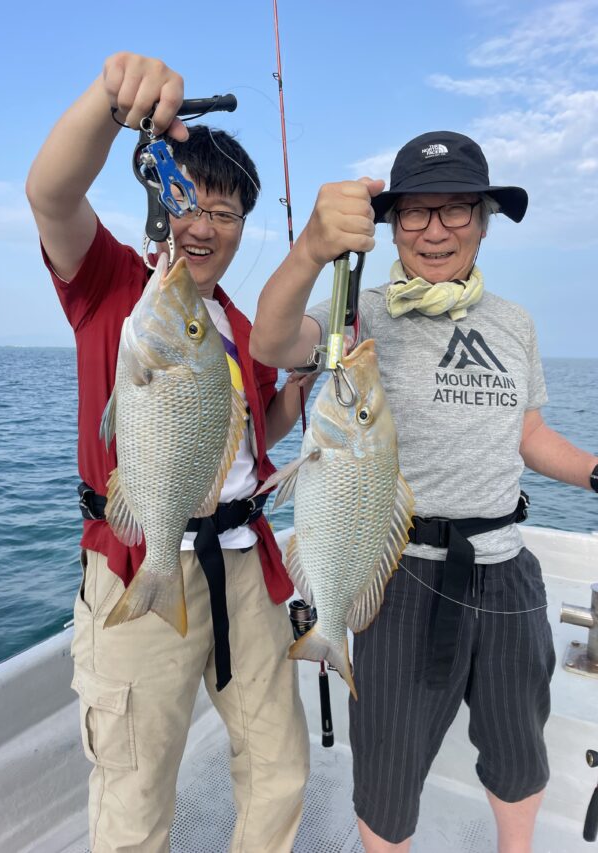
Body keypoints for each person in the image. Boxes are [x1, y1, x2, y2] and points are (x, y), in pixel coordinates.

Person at [249, 130, 598, 853]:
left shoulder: (514, 323)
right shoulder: (360, 315)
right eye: (415, 213)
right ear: (390, 224)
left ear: (483, 219)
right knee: (387, 767)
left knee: (519, 751)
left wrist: (595, 470)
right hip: (398, 571)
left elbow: (528, 434)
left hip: (507, 572)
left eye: (457, 210)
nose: (435, 229)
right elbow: (273, 344)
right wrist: (312, 248)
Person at [26, 52, 313, 853]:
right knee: (136, 785)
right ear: (160, 199)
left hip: (247, 565)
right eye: (192, 202)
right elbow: (51, 192)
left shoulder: (244, 325)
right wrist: (111, 103)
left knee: (279, 765)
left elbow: (256, 438)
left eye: (227, 213)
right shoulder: (114, 285)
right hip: (137, 554)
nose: (204, 225)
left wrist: (301, 386)